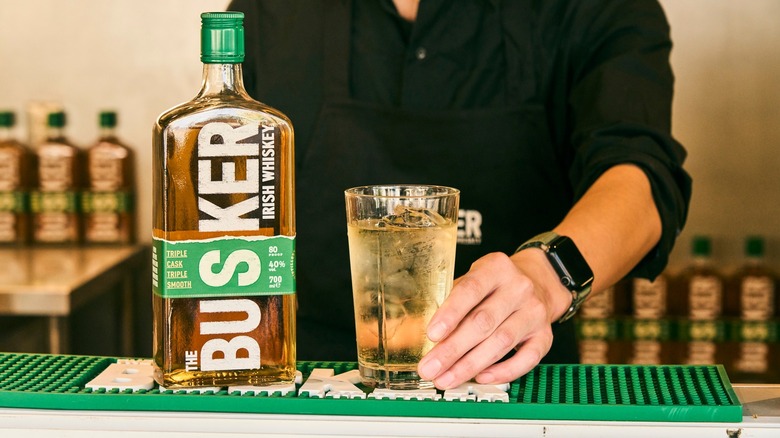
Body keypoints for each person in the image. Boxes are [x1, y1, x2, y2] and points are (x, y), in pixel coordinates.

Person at [227, 0, 692, 389]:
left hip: (517, 388)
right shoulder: (269, 12)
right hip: (314, 388)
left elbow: (641, 179)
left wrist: (548, 276)